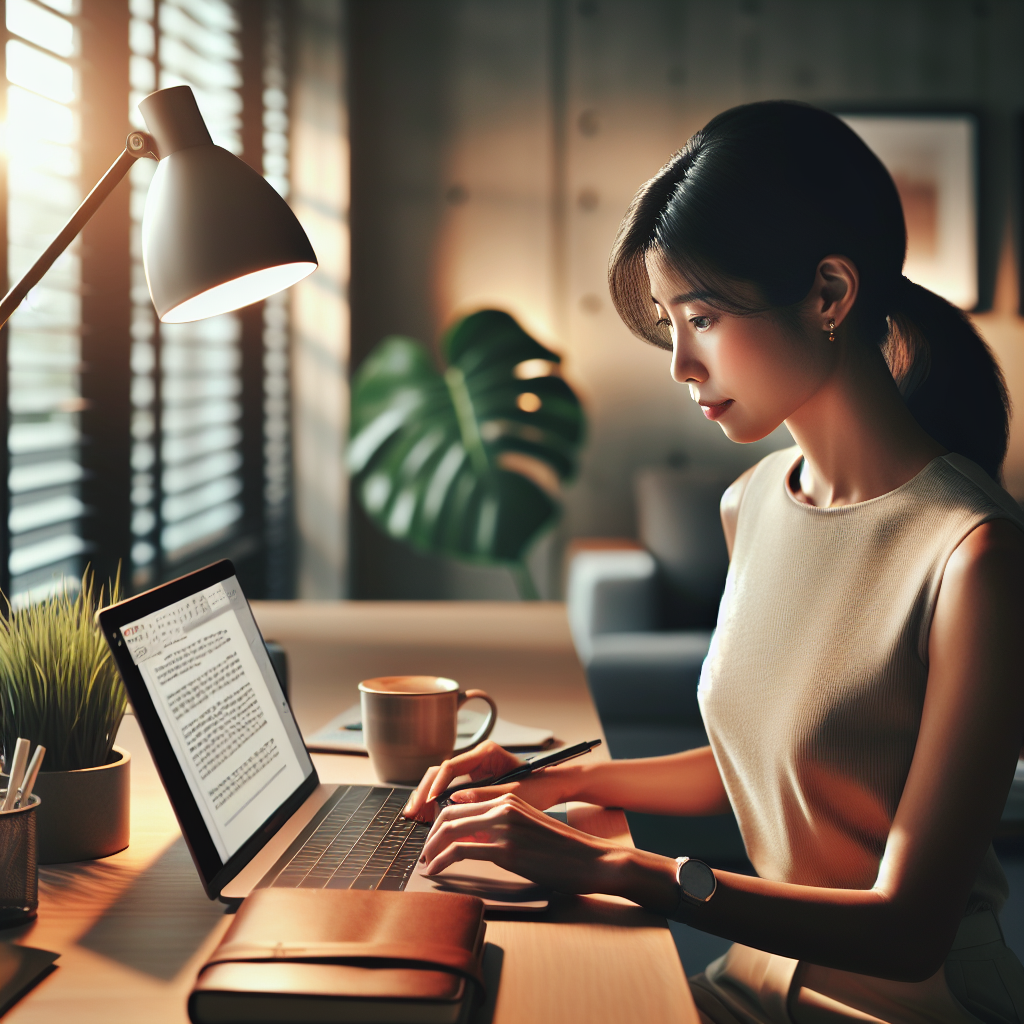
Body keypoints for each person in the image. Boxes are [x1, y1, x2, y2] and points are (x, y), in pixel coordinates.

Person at [403, 101, 1024, 1024]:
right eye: (670, 320)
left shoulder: (975, 555)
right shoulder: (754, 504)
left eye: (701, 317)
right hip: (755, 984)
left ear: (829, 295)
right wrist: (554, 783)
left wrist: (617, 866)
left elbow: (909, 930)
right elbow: (764, 759)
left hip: (910, 1006)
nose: (680, 365)